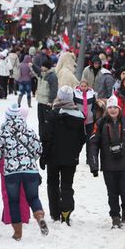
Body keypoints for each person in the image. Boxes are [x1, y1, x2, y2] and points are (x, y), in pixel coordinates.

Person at [0, 104, 48, 240]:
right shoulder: (29, 130)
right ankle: (39, 218)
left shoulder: (3, 133)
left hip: (11, 173)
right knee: (33, 198)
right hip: (30, 171)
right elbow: (39, 149)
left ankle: (17, 233)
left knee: (13, 201)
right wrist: (30, 160)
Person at [88, 95, 125, 228]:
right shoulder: (100, 123)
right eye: (110, 107)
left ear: (119, 109)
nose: (113, 110)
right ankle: (115, 217)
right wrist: (93, 164)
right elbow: (93, 144)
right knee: (112, 193)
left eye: (115, 107)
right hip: (108, 166)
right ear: (107, 109)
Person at [40, 86, 86, 225]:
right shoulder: (79, 116)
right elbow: (82, 138)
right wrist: (75, 152)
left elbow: (47, 137)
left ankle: (55, 213)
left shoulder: (53, 114)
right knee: (67, 184)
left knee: (52, 184)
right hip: (70, 158)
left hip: (53, 157)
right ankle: (66, 211)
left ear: (59, 97)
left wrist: (44, 156)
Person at [34, 59, 58, 139]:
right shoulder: (42, 74)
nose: (41, 67)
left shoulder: (52, 76)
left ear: (47, 67)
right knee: (40, 120)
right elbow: (36, 69)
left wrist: (51, 101)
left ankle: (47, 137)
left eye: (43, 66)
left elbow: (54, 90)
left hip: (47, 102)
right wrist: (32, 65)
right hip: (40, 101)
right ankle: (41, 136)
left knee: (46, 121)